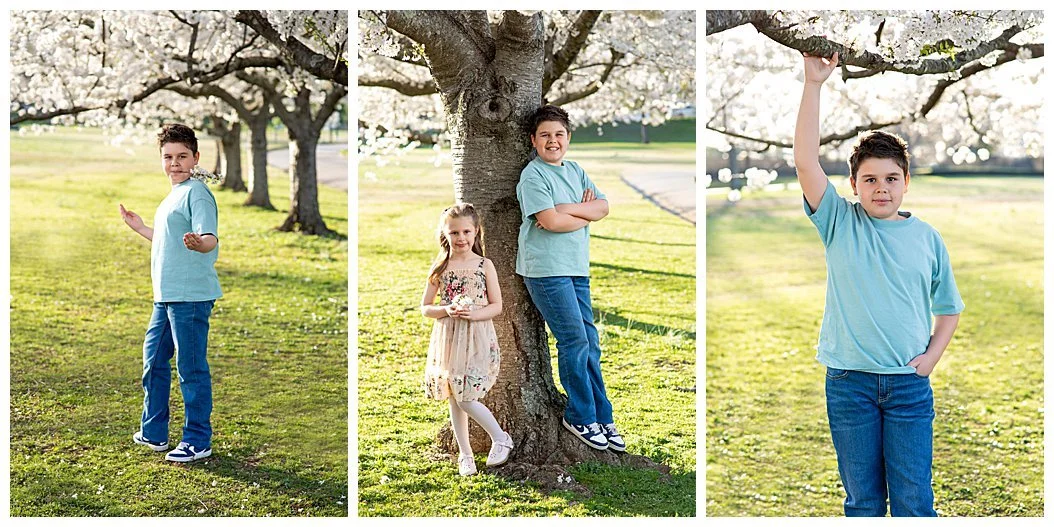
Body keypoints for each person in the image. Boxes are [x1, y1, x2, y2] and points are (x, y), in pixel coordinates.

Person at [793, 52, 964, 516]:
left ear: (906, 182)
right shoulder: (838, 223)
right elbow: (805, 161)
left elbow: (949, 307)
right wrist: (814, 85)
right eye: (869, 179)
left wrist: (930, 360)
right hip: (849, 384)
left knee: (914, 501)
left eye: (891, 178)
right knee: (863, 502)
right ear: (853, 184)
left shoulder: (927, 238)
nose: (881, 188)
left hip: (908, 386)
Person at [515, 105, 625, 452]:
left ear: (568, 138)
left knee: (590, 343)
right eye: (545, 135)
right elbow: (549, 221)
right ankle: (579, 415)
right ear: (533, 140)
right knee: (574, 341)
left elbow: (603, 207)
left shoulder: (575, 171)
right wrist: (580, 212)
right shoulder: (533, 176)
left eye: (559, 134)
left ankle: (601, 415)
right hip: (546, 270)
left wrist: (567, 209)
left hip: (576, 268)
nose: (553, 141)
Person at [119, 123, 222, 463]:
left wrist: (200, 244)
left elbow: (208, 238)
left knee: (190, 369)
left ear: (196, 157)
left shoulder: (197, 192)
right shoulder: (174, 193)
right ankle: (154, 432)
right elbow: (167, 241)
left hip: (190, 297)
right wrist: (140, 228)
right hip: (165, 296)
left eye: (181, 156)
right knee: (153, 363)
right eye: (168, 157)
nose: (174, 163)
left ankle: (197, 440)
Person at [420, 203, 514, 476]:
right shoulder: (441, 267)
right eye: (454, 232)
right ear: (444, 234)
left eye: (466, 231)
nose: (461, 238)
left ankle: (500, 437)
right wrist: (446, 310)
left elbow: (496, 305)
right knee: (453, 394)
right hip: (448, 335)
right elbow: (426, 307)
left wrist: (474, 315)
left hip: (476, 335)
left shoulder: (484, 265)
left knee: (466, 396)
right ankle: (465, 454)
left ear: (476, 232)